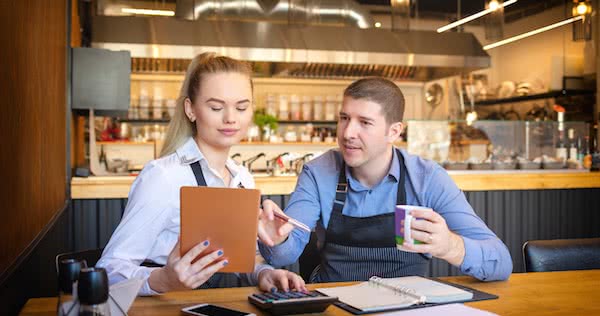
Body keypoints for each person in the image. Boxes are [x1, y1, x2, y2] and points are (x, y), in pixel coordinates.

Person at [258, 77, 512, 283]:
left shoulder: (426, 178)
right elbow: (283, 255)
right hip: (334, 304)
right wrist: (277, 239)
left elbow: (501, 262)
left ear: (394, 131)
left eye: (364, 122)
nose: (347, 133)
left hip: (407, 307)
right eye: (344, 118)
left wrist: (450, 247)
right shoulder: (319, 172)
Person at [96, 52, 305, 295]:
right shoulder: (164, 177)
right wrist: (163, 279)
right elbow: (108, 270)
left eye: (241, 107)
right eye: (216, 107)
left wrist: (265, 273)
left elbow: (238, 259)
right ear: (191, 109)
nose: (230, 118)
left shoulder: (242, 179)